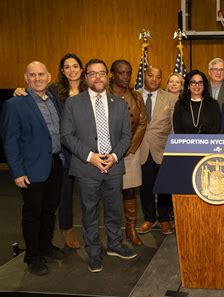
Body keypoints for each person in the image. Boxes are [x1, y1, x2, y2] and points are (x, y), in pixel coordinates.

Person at [61, 59, 135, 273]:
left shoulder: (119, 104)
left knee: (113, 210)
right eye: (93, 74)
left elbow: (125, 135)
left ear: (107, 76)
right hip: (86, 168)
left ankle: (114, 244)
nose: (98, 77)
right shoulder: (73, 104)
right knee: (89, 212)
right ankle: (93, 252)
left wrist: (113, 156)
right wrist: (91, 156)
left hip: (114, 166)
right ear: (86, 77)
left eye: (102, 73)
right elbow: (66, 136)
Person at [13, 54, 88, 249]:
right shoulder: (54, 91)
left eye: (75, 66)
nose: (71, 70)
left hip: (87, 150)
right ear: (62, 71)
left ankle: (89, 232)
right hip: (62, 152)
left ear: (82, 69)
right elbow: (33, 94)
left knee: (87, 194)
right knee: (62, 196)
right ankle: (66, 230)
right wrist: (19, 91)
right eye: (67, 67)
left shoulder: (90, 89)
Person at [2, 61, 63, 275]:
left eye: (41, 74)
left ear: (48, 77)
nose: (37, 78)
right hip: (31, 168)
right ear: (26, 78)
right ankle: (33, 256)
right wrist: (18, 172)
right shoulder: (15, 104)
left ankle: (46, 246)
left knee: (49, 209)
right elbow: (10, 141)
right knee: (32, 213)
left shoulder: (54, 99)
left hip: (55, 164)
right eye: (32, 75)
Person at [109, 60, 147, 246]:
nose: (125, 77)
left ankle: (131, 228)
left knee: (130, 191)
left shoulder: (136, 95)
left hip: (130, 152)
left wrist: (129, 148)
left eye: (128, 73)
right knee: (110, 192)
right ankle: (113, 231)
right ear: (113, 74)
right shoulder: (103, 94)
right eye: (121, 73)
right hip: (107, 153)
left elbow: (142, 122)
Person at [137, 66, 178, 235]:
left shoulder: (170, 98)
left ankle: (164, 219)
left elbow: (173, 128)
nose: (154, 79)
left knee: (163, 187)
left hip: (162, 150)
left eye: (158, 76)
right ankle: (149, 218)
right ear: (145, 76)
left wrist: (174, 151)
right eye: (150, 76)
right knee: (145, 187)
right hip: (140, 149)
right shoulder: (134, 95)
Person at [173, 70, 221, 134]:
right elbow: (177, 129)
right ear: (188, 86)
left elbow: (217, 127)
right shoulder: (180, 104)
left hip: (208, 143)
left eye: (200, 82)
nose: (197, 85)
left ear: (204, 86)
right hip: (185, 143)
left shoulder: (213, 104)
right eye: (193, 82)